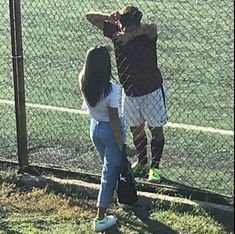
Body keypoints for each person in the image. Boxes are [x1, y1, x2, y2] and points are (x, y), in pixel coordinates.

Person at [86, 6, 167, 183]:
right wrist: (109, 16)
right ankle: (142, 161)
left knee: (156, 129)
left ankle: (155, 168)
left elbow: (152, 27)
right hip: (130, 91)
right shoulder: (116, 31)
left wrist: (130, 35)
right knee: (135, 128)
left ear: (133, 23)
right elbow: (90, 17)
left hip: (151, 90)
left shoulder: (146, 35)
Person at [79, 46, 125, 232]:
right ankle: (100, 218)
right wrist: (122, 145)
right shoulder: (112, 89)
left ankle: (114, 200)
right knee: (109, 173)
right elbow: (114, 121)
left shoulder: (83, 78)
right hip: (109, 132)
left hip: (95, 128)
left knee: (109, 169)